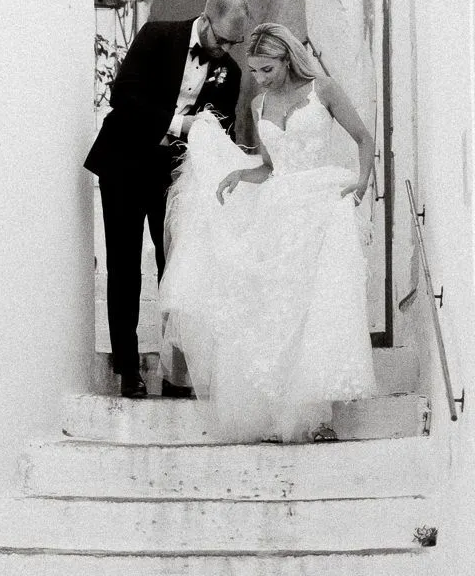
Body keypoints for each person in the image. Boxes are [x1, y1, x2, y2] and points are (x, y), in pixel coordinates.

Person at [159, 22, 377, 442]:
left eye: (267, 69)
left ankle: (319, 418)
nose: (259, 78)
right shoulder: (259, 105)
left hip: (319, 206)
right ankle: (281, 414)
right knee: (277, 310)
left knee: (314, 308)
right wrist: (240, 174)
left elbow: (364, 139)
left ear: (287, 59)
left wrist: (363, 182)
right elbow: (271, 166)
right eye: (254, 70)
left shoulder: (324, 90)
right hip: (279, 210)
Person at [85, 0, 250, 398]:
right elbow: (124, 97)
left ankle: (177, 372)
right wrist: (182, 125)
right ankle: (128, 370)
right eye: (221, 40)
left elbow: (221, 130)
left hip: (173, 175)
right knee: (123, 266)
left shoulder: (230, 71)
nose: (225, 50)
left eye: (235, 44)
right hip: (123, 163)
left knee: (176, 269)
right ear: (205, 19)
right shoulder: (157, 35)